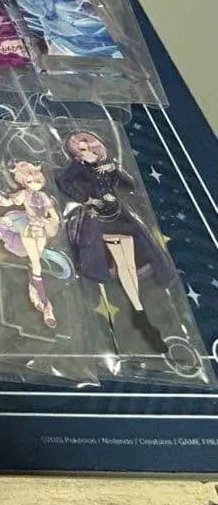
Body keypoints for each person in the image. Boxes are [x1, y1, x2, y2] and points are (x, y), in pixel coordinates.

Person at [55, 131, 172, 352]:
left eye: (91, 147)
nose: (89, 151)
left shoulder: (106, 168)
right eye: (82, 149)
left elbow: (130, 184)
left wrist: (114, 168)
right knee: (122, 262)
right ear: (76, 153)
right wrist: (89, 199)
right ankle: (139, 313)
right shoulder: (79, 168)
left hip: (121, 215)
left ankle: (139, 311)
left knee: (129, 264)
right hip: (101, 218)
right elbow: (63, 181)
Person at [0, 161, 62, 328]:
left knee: (34, 264)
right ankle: (46, 306)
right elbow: (7, 202)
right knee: (37, 265)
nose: (34, 184)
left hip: (41, 229)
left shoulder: (45, 197)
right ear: (23, 182)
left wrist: (49, 222)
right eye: (29, 181)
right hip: (27, 227)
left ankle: (35, 294)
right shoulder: (24, 194)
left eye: (37, 180)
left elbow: (54, 216)